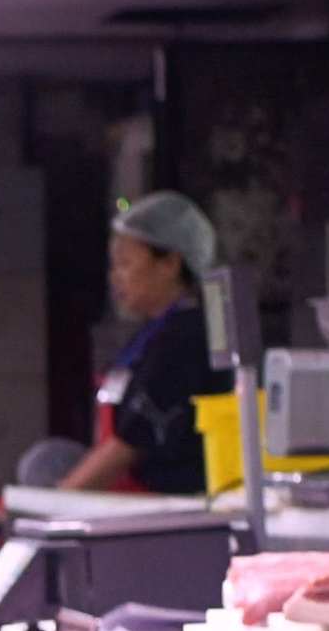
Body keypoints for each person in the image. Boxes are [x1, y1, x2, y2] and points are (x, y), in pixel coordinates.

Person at [56, 192, 221, 496]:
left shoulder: (186, 337)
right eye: (113, 265)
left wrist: (55, 503)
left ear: (170, 263)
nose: (115, 277)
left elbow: (130, 444)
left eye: (125, 263)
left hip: (166, 507)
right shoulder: (152, 334)